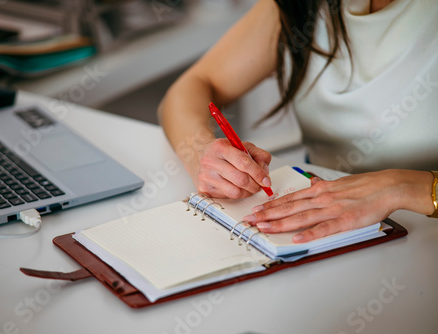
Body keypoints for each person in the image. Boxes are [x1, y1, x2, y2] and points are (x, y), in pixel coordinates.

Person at [157, 0, 438, 243]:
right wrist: (200, 152)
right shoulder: (297, 7)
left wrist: (401, 186)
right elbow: (190, 88)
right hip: (328, 230)